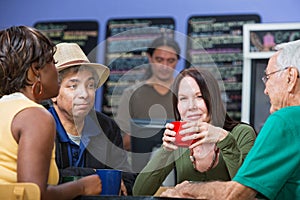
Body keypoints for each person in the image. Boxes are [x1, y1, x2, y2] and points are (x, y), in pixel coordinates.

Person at [160, 39, 300, 200]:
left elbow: (237, 194)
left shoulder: (285, 119)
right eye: (183, 99)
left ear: (290, 77)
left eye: (268, 77)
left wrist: (187, 189)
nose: (266, 90)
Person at [0, 26, 101, 200]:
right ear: (34, 72)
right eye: (52, 63)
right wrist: (82, 186)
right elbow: (35, 194)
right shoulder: (35, 116)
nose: (56, 71)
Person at [133, 67, 257, 196]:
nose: (191, 106)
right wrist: (166, 151)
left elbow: (246, 192)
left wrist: (225, 140)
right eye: (183, 99)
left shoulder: (242, 133)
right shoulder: (179, 141)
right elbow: (140, 192)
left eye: (199, 97)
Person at [47, 42, 136, 195]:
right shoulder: (39, 124)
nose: (84, 94)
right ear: (55, 93)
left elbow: (127, 177)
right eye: (73, 86)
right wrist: (93, 174)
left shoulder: (107, 127)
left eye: (90, 85)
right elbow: (43, 179)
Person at [115, 36, 181, 152]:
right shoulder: (131, 94)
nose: (165, 66)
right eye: (159, 60)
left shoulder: (187, 94)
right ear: (150, 58)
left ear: (177, 61)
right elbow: (121, 142)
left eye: (170, 61)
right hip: (140, 165)